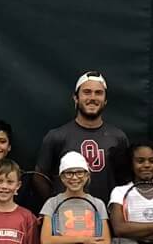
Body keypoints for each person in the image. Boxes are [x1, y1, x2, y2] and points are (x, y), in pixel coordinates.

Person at [34, 71, 130, 205]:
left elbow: (124, 180)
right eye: (87, 92)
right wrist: (55, 205)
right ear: (76, 98)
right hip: (67, 217)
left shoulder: (118, 137)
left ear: (105, 100)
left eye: (98, 93)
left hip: (106, 218)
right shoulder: (56, 136)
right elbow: (40, 177)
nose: (93, 97)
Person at [39, 150, 113, 244]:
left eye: (79, 172)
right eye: (69, 173)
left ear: (87, 175)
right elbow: (46, 241)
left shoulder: (98, 204)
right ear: (62, 177)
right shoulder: (52, 203)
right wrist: (83, 240)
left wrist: (62, 240)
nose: (74, 178)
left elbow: (106, 242)